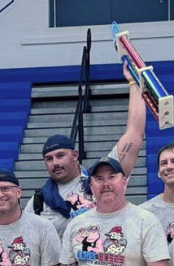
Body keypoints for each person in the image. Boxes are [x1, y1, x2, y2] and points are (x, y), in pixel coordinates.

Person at [33, 64, 147, 236]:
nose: (55, 162)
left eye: (60, 155)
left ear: (75, 155)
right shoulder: (38, 202)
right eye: (49, 158)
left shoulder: (101, 179)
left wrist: (134, 83)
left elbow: (135, 132)